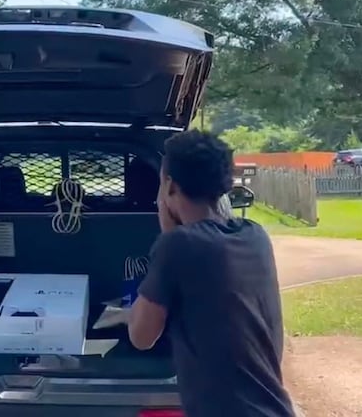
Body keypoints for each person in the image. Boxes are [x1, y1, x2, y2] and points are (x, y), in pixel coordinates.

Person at [127, 130, 296, 416]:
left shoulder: (177, 246)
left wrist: (167, 229)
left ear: (169, 186)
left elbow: (141, 336)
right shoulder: (255, 235)